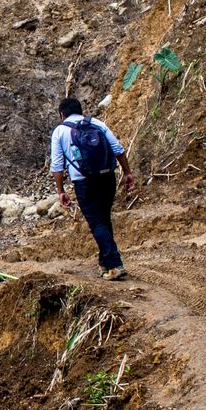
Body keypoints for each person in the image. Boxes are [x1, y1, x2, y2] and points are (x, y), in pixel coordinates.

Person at [48, 96, 135, 281]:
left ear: (62, 115)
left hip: (84, 182)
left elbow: (57, 165)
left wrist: (60, 191)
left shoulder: (60, 131)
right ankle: (105, 264)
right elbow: (118, 149)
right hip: (107, 177)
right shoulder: (96, 123)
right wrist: (127, 173)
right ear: (80, 110)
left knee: (97, 222)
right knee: (103, 219)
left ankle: (115, 264)